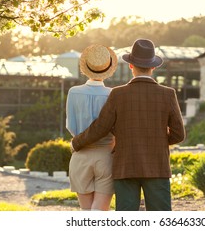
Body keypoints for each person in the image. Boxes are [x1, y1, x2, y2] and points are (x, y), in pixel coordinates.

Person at [71, 39, 186, 211]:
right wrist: (155, 141)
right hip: (157, 167)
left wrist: (76, 143)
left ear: (131, 66)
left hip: (125, 166)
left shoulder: (118, 94)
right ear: (153, 67)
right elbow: (179, 134)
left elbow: (100, 127)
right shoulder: (168, 94)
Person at [66, 44, 118, 211]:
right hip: (107, 156)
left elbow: (71, 127)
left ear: (86, 67)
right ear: (108, 68)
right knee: (100, 212)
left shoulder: (73, 92)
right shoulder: (113, 94)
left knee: (87, 213)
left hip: (80, 155)